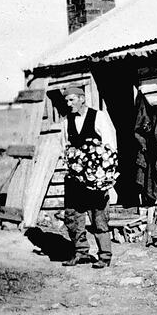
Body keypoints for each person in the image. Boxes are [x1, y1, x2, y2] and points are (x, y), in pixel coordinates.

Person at [60, 86, 117, 269]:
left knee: (98, 215)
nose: (68, 104)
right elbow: (64, 147)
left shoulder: (98, 116)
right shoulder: (66, 121)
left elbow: (110, 146)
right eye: (67, 101)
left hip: (95, 177)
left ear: (82, 98)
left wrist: (103, 175)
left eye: (72, 100)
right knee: (73, 216)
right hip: (75, 179)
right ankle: (81, 253)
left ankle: (105, 255)